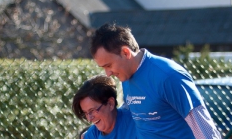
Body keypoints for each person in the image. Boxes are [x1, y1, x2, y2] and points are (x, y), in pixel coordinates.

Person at [90, 23, 221, 139]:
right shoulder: (126, 76)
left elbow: (203, 127)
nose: (108, 74)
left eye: (109, 65)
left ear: (125, 53)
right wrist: (92, 132)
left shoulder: (168, 76)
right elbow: (131, 110)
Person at [72, 75, 137, 139]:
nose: (89, 118)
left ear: (110, 103)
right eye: (85, 113)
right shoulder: (91, 135)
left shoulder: (136, 122)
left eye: (92, 110)